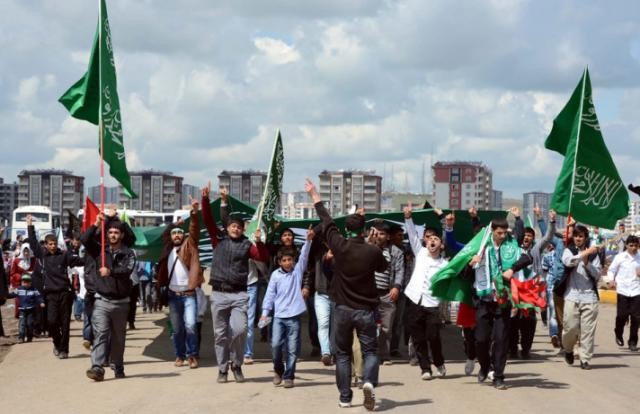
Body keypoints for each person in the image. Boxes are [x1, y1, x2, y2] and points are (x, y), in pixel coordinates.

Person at [306, 178, 387, 411]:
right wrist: (373, 243)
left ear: (347, 229)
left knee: (342, 354)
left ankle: (345, 397)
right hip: (366, 310)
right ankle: (368, 382)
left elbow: (327, 221)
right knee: (370, 350)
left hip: (342, 309)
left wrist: (314, 195)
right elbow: (383, 267)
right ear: (366, 230)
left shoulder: (339, 245)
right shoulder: (372, 251)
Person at [202, 184, 269, 383]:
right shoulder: (218, 240)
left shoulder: (248, 245)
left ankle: (237, 364)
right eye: (233, 226)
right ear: (228, 228)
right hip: (219, 293)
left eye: (239, 227)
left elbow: (262, 257)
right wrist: (206, 200)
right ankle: (222, 369)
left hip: (240, 294)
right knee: (220, 335)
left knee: (240, 330)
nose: (236, 229)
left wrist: (260, 242)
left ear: (243, 230)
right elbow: (207, 220)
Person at [470, 217, 532, 389]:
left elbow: (527, 258)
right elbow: (463, 264)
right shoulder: (481, 246)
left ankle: (498, 376)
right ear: (492, 231)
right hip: (483, 298)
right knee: (481, 339)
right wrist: (472, 262)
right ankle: (484, 366)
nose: (503, 236)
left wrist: (512, 269)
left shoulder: (511, 245)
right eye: (499, 233)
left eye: (505, 232)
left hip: (502, 300)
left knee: (501, 339)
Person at [83, 213, 137, 381]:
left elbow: (126, 271)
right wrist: (97, 223)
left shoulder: (128, 253)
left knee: (119, 338)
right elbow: (85, 240)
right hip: (102, 301)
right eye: (110, 232)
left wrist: (110, 272)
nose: (113, 235)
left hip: (122, 303)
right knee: (101, 334)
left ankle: (118, 365)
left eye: (116, 232)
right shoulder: (100, 250)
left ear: (121, 235)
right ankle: (97, 367)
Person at [260, 227, 313, 388]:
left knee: (292, 349)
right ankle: (278, 369)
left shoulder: (297, 272)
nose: (288, 263)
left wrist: (308, 240)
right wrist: (264, 313)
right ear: (279, 261)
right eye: (284, 260)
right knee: (276, 344)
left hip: (294, 317)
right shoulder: (275, 275)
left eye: (290, 260)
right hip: (278, 317)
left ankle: (289, 376)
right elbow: (269, 295)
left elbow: (304, 256)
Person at [26, 215, 83, 359]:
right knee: (51, 322)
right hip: (50, 294)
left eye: (54, 243)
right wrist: (30, 226)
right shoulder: (42, 256)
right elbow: (33, 243)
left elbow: (79, 261)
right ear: (45, 244)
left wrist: (93, 258)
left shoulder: (64, 255)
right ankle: (57, 344)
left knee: (65, 324)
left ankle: (64, 350)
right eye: (50, 244)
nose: (52, 246)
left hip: (65, 292)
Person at [403, 202, 448, 380]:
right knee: (418, 338)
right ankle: (425, 368)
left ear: (441, 245)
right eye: (429, 239)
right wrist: (408, 217)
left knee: (433, 337)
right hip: (414, 300)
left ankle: (439, 362)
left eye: (435, 239)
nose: (432, 241)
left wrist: (442, 218)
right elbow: (412, 233)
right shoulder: (420, 252)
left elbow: (448, 234)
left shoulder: (444, 264)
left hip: (431, 304)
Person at [157, 197, 203, 369]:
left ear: (183, 235)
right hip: (172, 296)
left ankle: (192, 355)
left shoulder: (189, 245)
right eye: (174, 233)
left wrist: (193, 213)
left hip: (189, 294)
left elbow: (194, 230)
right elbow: (164, 234)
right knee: (177, 329)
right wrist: (175, 223)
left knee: (191, 326)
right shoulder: (167, 249)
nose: (177, 235)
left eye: (179, 232)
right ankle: (179, 355)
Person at [509, 206, 555, 359]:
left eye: (530, 235)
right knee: (513, 320)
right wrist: (517, 218)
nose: (527, 237)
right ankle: (512, 347)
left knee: (529, 321)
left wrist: (547, 219)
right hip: (514, 291)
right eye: (525, 235)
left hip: (530, 292)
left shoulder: (535, 250)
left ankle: (526, 348)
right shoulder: (513, 250)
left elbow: (548, 237)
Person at [559, 225, 602, 370]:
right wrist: (582, 255)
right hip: (572, 296)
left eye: (581, 236)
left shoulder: (594, 254)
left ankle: (585, 358)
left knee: (588, 330)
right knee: (569, 327)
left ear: (585, 238)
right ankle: (568, 349)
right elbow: (568, 261)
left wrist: (587, 262)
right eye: (576, 236)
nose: (578, 238)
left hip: (590, 297)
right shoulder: (568, 250)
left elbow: (597, 275)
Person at [368, 221, 404, 365]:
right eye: (376, 232)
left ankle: (384, 355)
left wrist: (396, 287)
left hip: (386, 293)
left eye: (382, 233)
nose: (378, 235)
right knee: (367, 324)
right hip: (368, 293)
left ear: (388, 237)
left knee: (386, 326)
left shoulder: (396, 252)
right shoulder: (367, 247)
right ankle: (368, 354)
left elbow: (400, 271)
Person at [606, 235, 640, 352]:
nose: (634, 248)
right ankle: (618, 333)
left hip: (637, 290)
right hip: (623, 290)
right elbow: (611, 270)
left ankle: (633, 342)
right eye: (631, 245)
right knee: (622, 316)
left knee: (636, 318)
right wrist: (611, 280)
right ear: (626, 245)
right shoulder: (620, 257)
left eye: (636, 245)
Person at [7, 274, 45, 342]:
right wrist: (5, 295)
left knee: (29, 324)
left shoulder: (34, 290)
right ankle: (21, 337)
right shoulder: (19, 289)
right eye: (24, 282)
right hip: (22, 310)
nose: (26, 284)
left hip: (31, 310)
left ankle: (29, 336)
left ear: (31, 282)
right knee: (22, 324)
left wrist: (41, 302)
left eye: (28, 282)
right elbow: (12, 294)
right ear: (22, 282)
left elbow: (39, 297)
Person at [10, 244, 36, 319]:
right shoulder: (16, 260)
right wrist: (22, 276)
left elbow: (36, 270)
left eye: (27, 251)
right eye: (24, 251)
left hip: (31, 285)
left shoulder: (33, 260)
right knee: (20, 302)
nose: (26, 253)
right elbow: (13, 274)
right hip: (20, 285)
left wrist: (32, 274)